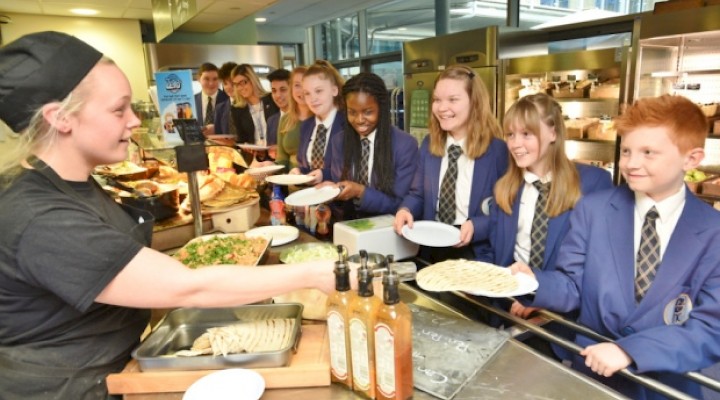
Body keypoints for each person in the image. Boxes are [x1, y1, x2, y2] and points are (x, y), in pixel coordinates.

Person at [0, 31, 340, 400]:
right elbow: (187, 286)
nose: (134, 121)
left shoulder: (72, 183)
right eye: (118, 110)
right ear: (60, 118)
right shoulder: (39, 217)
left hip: (110, 370)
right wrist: (315, 274)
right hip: (69, 388)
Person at [511, 95, 720, 399]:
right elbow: (572, 284)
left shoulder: (713, 232)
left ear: (691, 159)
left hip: (666, 385)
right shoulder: (594, 210)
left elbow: (710, 329)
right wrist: (533, 282)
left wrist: (630, 350)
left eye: (648, 153)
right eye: (626, 151)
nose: (631, 164)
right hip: (593, 378)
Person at [489, 93, 612, 359]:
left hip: (563, 328)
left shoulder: (593, 185)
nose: (515, 144)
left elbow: (596, 271)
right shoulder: (504, 188)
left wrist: (538, 295)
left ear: (553, 133)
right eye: (510, 135)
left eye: (526, 134)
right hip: (510, 314)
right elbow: (496, 253)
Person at [393, 65, 508, 262]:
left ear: (475, 102)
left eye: (453, 100)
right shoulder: (429, 144)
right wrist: (405, 210)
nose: (442, 108)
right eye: (437, 100)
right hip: (432, 245)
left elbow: (508, 211)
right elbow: (417, 194)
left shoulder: (498, 151)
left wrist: (477, 226)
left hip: (475, 252)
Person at [323, 72, 418, 220]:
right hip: (348, 224)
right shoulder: (339, 141)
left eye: (368, 112)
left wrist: (361, 192)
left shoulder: (404, 145)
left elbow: (400, 204)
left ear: (381, 108)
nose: (359, 120)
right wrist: (331, 192)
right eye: (352, 112)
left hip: (388, 226)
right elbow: (340, 192)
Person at [290, 60, 346, 185]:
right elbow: (307, 167)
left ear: (334, 90)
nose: (313, 99)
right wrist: (299, 171)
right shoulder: (306, 126)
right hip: (310, 195)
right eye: (307, 93)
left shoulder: (348, 124)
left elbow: (352, 170)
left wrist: (324, 175)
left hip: (340, 196)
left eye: (319, 91)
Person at [228, 63, 279, 148]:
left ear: (252, 80)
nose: (240, 88)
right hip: (253, 153)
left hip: (275, 151)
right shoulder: (237, 109)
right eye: (236, 84)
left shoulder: (272, 100)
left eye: (243, 82)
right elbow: (241, 139)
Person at [275, 66, 313, 171]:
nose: (302, 90)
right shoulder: (285, 119)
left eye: (306, 85)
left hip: (315, 178)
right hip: (290, 179)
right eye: (297, 85)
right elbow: (282, 159)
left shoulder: (321, 118)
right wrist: (270, 166)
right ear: (291, 88)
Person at [194, 62, 229, 137]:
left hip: (223, 143)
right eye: (206, 79)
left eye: (215, 79)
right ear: (198, 79)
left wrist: (217, 129)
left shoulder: (228, 99)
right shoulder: (191, 101)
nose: (211, 83)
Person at [265, 68, 291, 148]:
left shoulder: (303, 118)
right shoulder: (271, 121)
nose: (278, 95)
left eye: (283, 90)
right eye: (274, 91)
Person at [213, 61, 238, 136]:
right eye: (225, 83)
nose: (229, 87)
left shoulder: (249, 104)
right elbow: (218, 136)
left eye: (232, 83)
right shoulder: (220, 108)